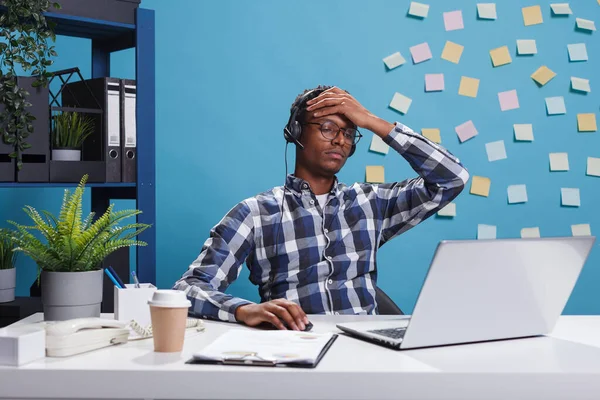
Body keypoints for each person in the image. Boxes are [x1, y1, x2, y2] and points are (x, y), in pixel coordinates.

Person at [173, 85, 469, 331]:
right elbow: (187, 289)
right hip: (296, 349)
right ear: (296, 132)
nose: (340, 140)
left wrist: (372, 121)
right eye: (328, 128)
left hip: (367, 352)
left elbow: (452, 179)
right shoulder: (255, 213)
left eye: (349, 133)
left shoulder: (371, 204)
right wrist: (244, 310)